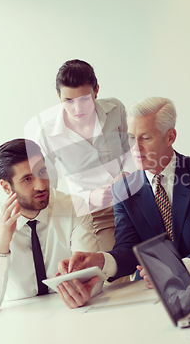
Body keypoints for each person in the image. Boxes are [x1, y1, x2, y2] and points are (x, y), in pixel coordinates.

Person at [56, 97, 190, 308]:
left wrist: (176, 268)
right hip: (151, 295)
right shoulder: (123, 189)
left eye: (146, 138)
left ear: (170, 137)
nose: (135, 148)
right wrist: (101, 261)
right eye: (131, 138)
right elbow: (128, 251)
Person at [0, 139, 101, 312]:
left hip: (70, 313)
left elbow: (93, 278)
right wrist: (2, 244)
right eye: (27, 179)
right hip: (15, 323)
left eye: (42, 172)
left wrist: (85, 290)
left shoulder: (74, 207)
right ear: (6, 187)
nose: (40, 185)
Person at [25, 60, 133, 252]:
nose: (77, 109)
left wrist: (126, 174)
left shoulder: (115, 109)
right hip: (94, 214)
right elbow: (48, 189)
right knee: (114, 272)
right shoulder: (48, 134)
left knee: (160, 259)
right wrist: (90, 197)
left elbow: (131, 151)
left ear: (96, 90)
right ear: (59, 96)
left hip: (134, 199)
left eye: (85, 98)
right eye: (69, 101)